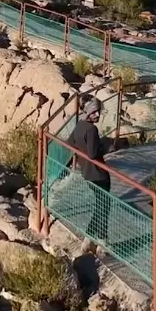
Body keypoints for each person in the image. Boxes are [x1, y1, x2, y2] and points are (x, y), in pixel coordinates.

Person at [67, 98, 111, 251]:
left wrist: (80, 155)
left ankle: (88, 238)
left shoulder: (79, 125)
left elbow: (70, 142)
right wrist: (104, 146)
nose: (97, 114)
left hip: (86, 171)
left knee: (99, 205)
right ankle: (102, 241)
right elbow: (93, 154)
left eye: (98, 111)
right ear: (88, 112)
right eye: (94, 111)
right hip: (99, 173)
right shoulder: (92, 130)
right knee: (104, 205)